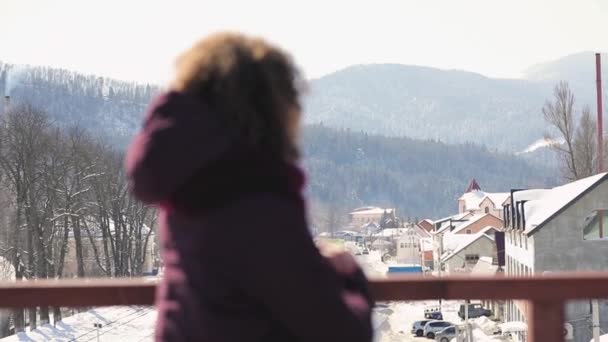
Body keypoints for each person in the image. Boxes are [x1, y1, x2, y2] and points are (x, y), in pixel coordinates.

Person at [125, 32, 374, 342]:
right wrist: (348, 275)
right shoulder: (255, 205)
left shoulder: (189, 186)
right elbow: (341, 332)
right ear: (272, 109)